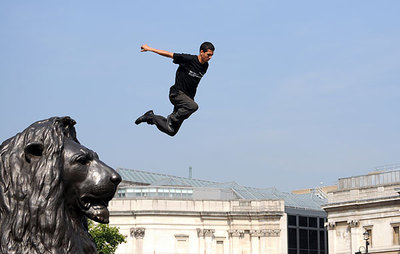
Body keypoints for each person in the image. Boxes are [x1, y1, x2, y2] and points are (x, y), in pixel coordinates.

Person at [135, 42, 215, 136]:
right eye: (208, 55)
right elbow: (169, 54)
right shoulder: (189, 59)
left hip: (186, 101)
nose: (210, 58)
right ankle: (172, 118)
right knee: (194, 107)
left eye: (212, 55)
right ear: (201, 52)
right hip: (177, 94)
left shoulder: (205, 66)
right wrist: (150, 49)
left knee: (171, 131)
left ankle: (150, 117)